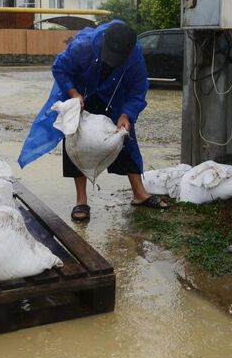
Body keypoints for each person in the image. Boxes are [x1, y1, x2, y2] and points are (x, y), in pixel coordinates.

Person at [18, 20, 169, 222]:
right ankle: (82, 200)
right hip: (82, 95)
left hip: (115, 99)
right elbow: (60, 68)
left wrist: (126, 115)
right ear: (103, 43)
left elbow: (137, 92)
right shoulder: (83, 45)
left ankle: (139, 194)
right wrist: (73, 94)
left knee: (126, 139)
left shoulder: (134, 57)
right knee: (76, 141)